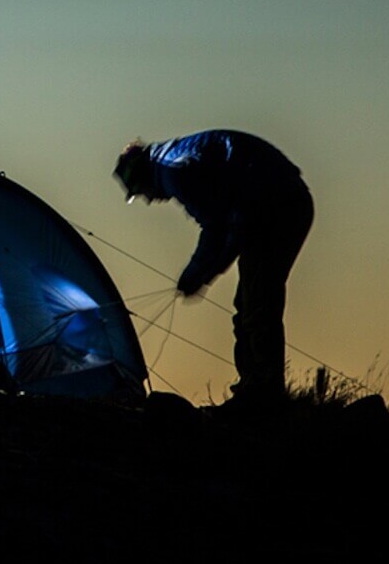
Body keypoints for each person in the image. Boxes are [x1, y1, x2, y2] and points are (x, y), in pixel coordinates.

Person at [112, 129, 313, 407]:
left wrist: (197, 274)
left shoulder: (174, 170)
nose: (147, 199)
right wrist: (205, 272)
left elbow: (217, 229)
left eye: (140, 191)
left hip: (279, 208)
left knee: (257, 305)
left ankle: (265, 398)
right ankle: (255, 389)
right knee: (249, 305)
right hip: (277, 203)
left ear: (144, 176)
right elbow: (227, 227)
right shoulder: (174, 158)